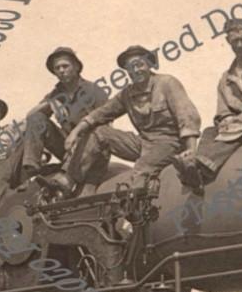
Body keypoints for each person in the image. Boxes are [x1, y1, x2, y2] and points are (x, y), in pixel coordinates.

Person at [59, 44, 201, 193]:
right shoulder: (127, 94)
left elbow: (187, 116)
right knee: (99, 132)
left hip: (170, 143)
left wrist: (191, 150)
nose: (136, 70)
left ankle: (135, 203)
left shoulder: (167, 83)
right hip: (143, 142)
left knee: (142, 168)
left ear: (149, 64)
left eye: (140, 65)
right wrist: (75, 132)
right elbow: (100, 113)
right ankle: (69, 179)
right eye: (131, 68)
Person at [0, 47, 108, 191]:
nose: (61, 70)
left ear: (76, 67)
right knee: (37, 119)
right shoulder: (56, 93)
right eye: (57, 68)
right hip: (67, 148)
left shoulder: (94, 90)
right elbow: (31, 116)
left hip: (91, 149)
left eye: (65, 66)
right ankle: (30, 171)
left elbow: (106, 128)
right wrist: (50, 103)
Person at [191, 18, 242, 184]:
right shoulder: (225, 79)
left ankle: (206, 165)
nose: (239, 45)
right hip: (237, 126)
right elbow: (223, 111)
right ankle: (198, 168)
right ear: (228, 41)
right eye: (235, 41)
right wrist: (228, 120)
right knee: (209, 132)